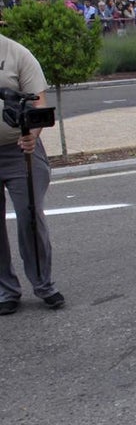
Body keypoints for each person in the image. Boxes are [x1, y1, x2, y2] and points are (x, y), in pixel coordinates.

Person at [0, 33, 65, 315]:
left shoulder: (16, 54)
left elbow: (39, 104)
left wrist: (32, 135)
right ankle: (6, 290)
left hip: (20, 151)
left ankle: (43, 284)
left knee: (30, 216)